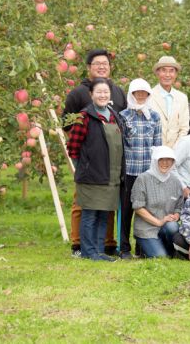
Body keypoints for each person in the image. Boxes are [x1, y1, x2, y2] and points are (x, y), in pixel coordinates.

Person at [63, 49, 127, 257]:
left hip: (110, 171)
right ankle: (81, 247)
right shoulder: (79, 100)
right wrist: (83, 164)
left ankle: (101, 249)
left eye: (105, 63)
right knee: (86, 211)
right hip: (91, 170)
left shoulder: (116, 104)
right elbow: (71, 138)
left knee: (104, 212)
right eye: (97, 63)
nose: (102, 66)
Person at [118, 78, 162, 259]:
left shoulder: (154, 116)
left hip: (147, 172)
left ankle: (142, 246)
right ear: (132, 94)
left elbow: (157, 145)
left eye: (145, 93)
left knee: (145, 210)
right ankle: (124, 247)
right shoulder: (123, 116)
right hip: (129, 171)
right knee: (126, 209)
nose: (141, 96)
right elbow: (120, 145)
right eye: (138, 93)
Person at [131, 146, 183, 258]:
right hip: (147, 228)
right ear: (155, 161)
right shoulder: (143, 179)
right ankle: (145, 247)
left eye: (169, 159)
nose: (165, 163)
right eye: (161, 159)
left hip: (166, 226)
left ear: (173, 162)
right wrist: (159, 222)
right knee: (161, 258)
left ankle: (170, 249)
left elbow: (179, 206)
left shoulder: (176, 181)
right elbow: (138, 207)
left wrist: (176, 215)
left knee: (173, 227)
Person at [149, 56, 190, 147]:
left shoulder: (182, 98)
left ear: (176, 74)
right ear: (157, 73)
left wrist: (176, 148)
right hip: (154, 151)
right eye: (164, 70)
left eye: (171, 71)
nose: (167, 75)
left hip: (176, 151)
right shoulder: (149, 96)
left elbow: (184, 127)